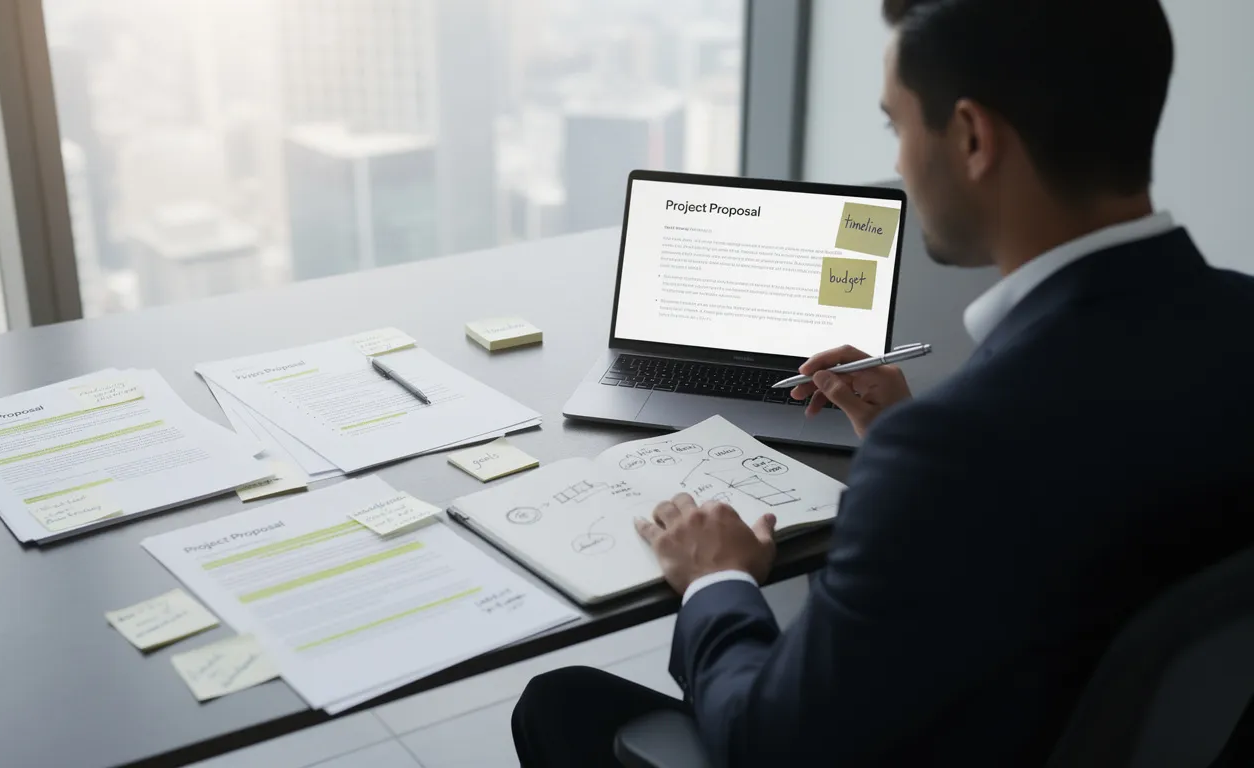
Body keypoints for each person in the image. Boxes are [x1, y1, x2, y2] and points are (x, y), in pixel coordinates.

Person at [512, 0, 1254, 765]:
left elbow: (768, 744)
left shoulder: (951, 452)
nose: (898, 162)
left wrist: (718, 581)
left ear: (971, 138)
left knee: (560, 704)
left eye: (896, 126)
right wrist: (908, 442)